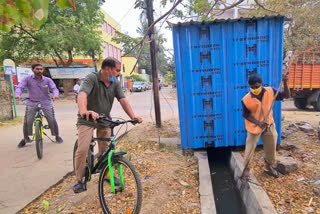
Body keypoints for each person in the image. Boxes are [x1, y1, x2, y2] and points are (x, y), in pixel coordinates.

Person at [73, 57, 143, 193]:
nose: (119, 73)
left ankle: (106, 173)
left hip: (104, 119)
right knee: (83, 149)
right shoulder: (91, 78)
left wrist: (133, 117)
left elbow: (123, 101)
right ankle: (80, 180)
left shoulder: (115, 83)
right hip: (87, 119)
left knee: (106, 149)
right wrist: (84, 112)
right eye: (117, 70)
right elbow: (82, 95)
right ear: (107, 69)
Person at [241, 73, 290, 178]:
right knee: (249, 149)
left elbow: (287, 95)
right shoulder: (246, 99)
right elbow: (245, 115)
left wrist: (285, 82)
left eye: (257, 86)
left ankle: (268, 166)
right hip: (254, 126)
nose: (255, 89)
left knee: (271, 146)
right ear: (249, 86)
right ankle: (246, 169)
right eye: (252, 87)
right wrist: (258, 123)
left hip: (268, 124)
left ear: (262, 84)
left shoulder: (270, 91)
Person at [15, 63, 63, 148]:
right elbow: (20, 87)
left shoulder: (47, 80)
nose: (39, 71)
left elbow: (54, 88)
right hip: (32, 102)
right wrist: (17, 94)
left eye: (41, 69)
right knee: (27, 121)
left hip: (46, 102)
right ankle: (25, 138)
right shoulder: (27, 79)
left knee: (51, 119)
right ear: (33, 69)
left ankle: (56, 136)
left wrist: (55, 95)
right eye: (37, 69)